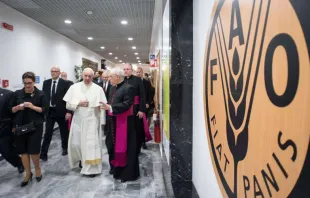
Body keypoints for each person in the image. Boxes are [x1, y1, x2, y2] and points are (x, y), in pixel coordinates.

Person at [63, 68, 107, 177]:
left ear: (93, 77)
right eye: (85, 76)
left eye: (90, 76)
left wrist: (102, 121)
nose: (87, 78)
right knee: (77, 143)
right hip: (78, 120)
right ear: (82, 75)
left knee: (90, 145)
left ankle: (91, 168)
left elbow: (103, 106)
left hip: (92, 121)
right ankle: (82, 161)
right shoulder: (74, 87)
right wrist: (78, 103)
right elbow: (68, 105)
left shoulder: (98, 89)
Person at [101, 67, 139, 182]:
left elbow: (127, 104)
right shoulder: (113, 88)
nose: (109, 79)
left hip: (124, 124)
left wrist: (111, 107)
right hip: (112, 123)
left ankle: (126, 174)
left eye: (111, 77)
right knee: (111, 146)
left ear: (118, 77)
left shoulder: (128, 88)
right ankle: (116, 169)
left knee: (125, 148)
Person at [10, 72, 48, 187]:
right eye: (25, 83)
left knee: (34, 151)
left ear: (34, 82)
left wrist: (32, 106)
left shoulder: (41, 94)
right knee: (23, 151)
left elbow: (44, 110)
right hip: (20, 127)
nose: (27, 86)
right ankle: (28, 173)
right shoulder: (17, 94)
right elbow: (10, 110)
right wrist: (17, 108)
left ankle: (37, 170)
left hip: (35, 126)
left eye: (29, 83)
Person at [40, 66, 72, 161]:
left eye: (55, 71)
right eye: (52, 71)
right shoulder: (46, 83)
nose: (53, 73)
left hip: (62, 111)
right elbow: (44, 97)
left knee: (64, 132)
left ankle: (65, 148)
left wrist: (69, 112)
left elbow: (69, 99)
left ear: (59, 73)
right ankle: (43, 153)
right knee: (47, 133)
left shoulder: (65, 83)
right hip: (50, 111)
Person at [123, 63, 152, 154]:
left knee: (137, 129)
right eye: (124, 69)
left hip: (136, 109)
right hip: (124, 109)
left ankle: (137, 147)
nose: (126, 71)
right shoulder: (122, 80)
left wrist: (141, 110)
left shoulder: (138, 80)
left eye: (128, 69)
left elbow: (142, 96)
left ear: (131, 70)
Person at [0, 88, 24, 173]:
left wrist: (15, 125)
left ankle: (19, 162)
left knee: (6, 151)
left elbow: (16, 112)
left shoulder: (8, 94)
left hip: (5, 127)